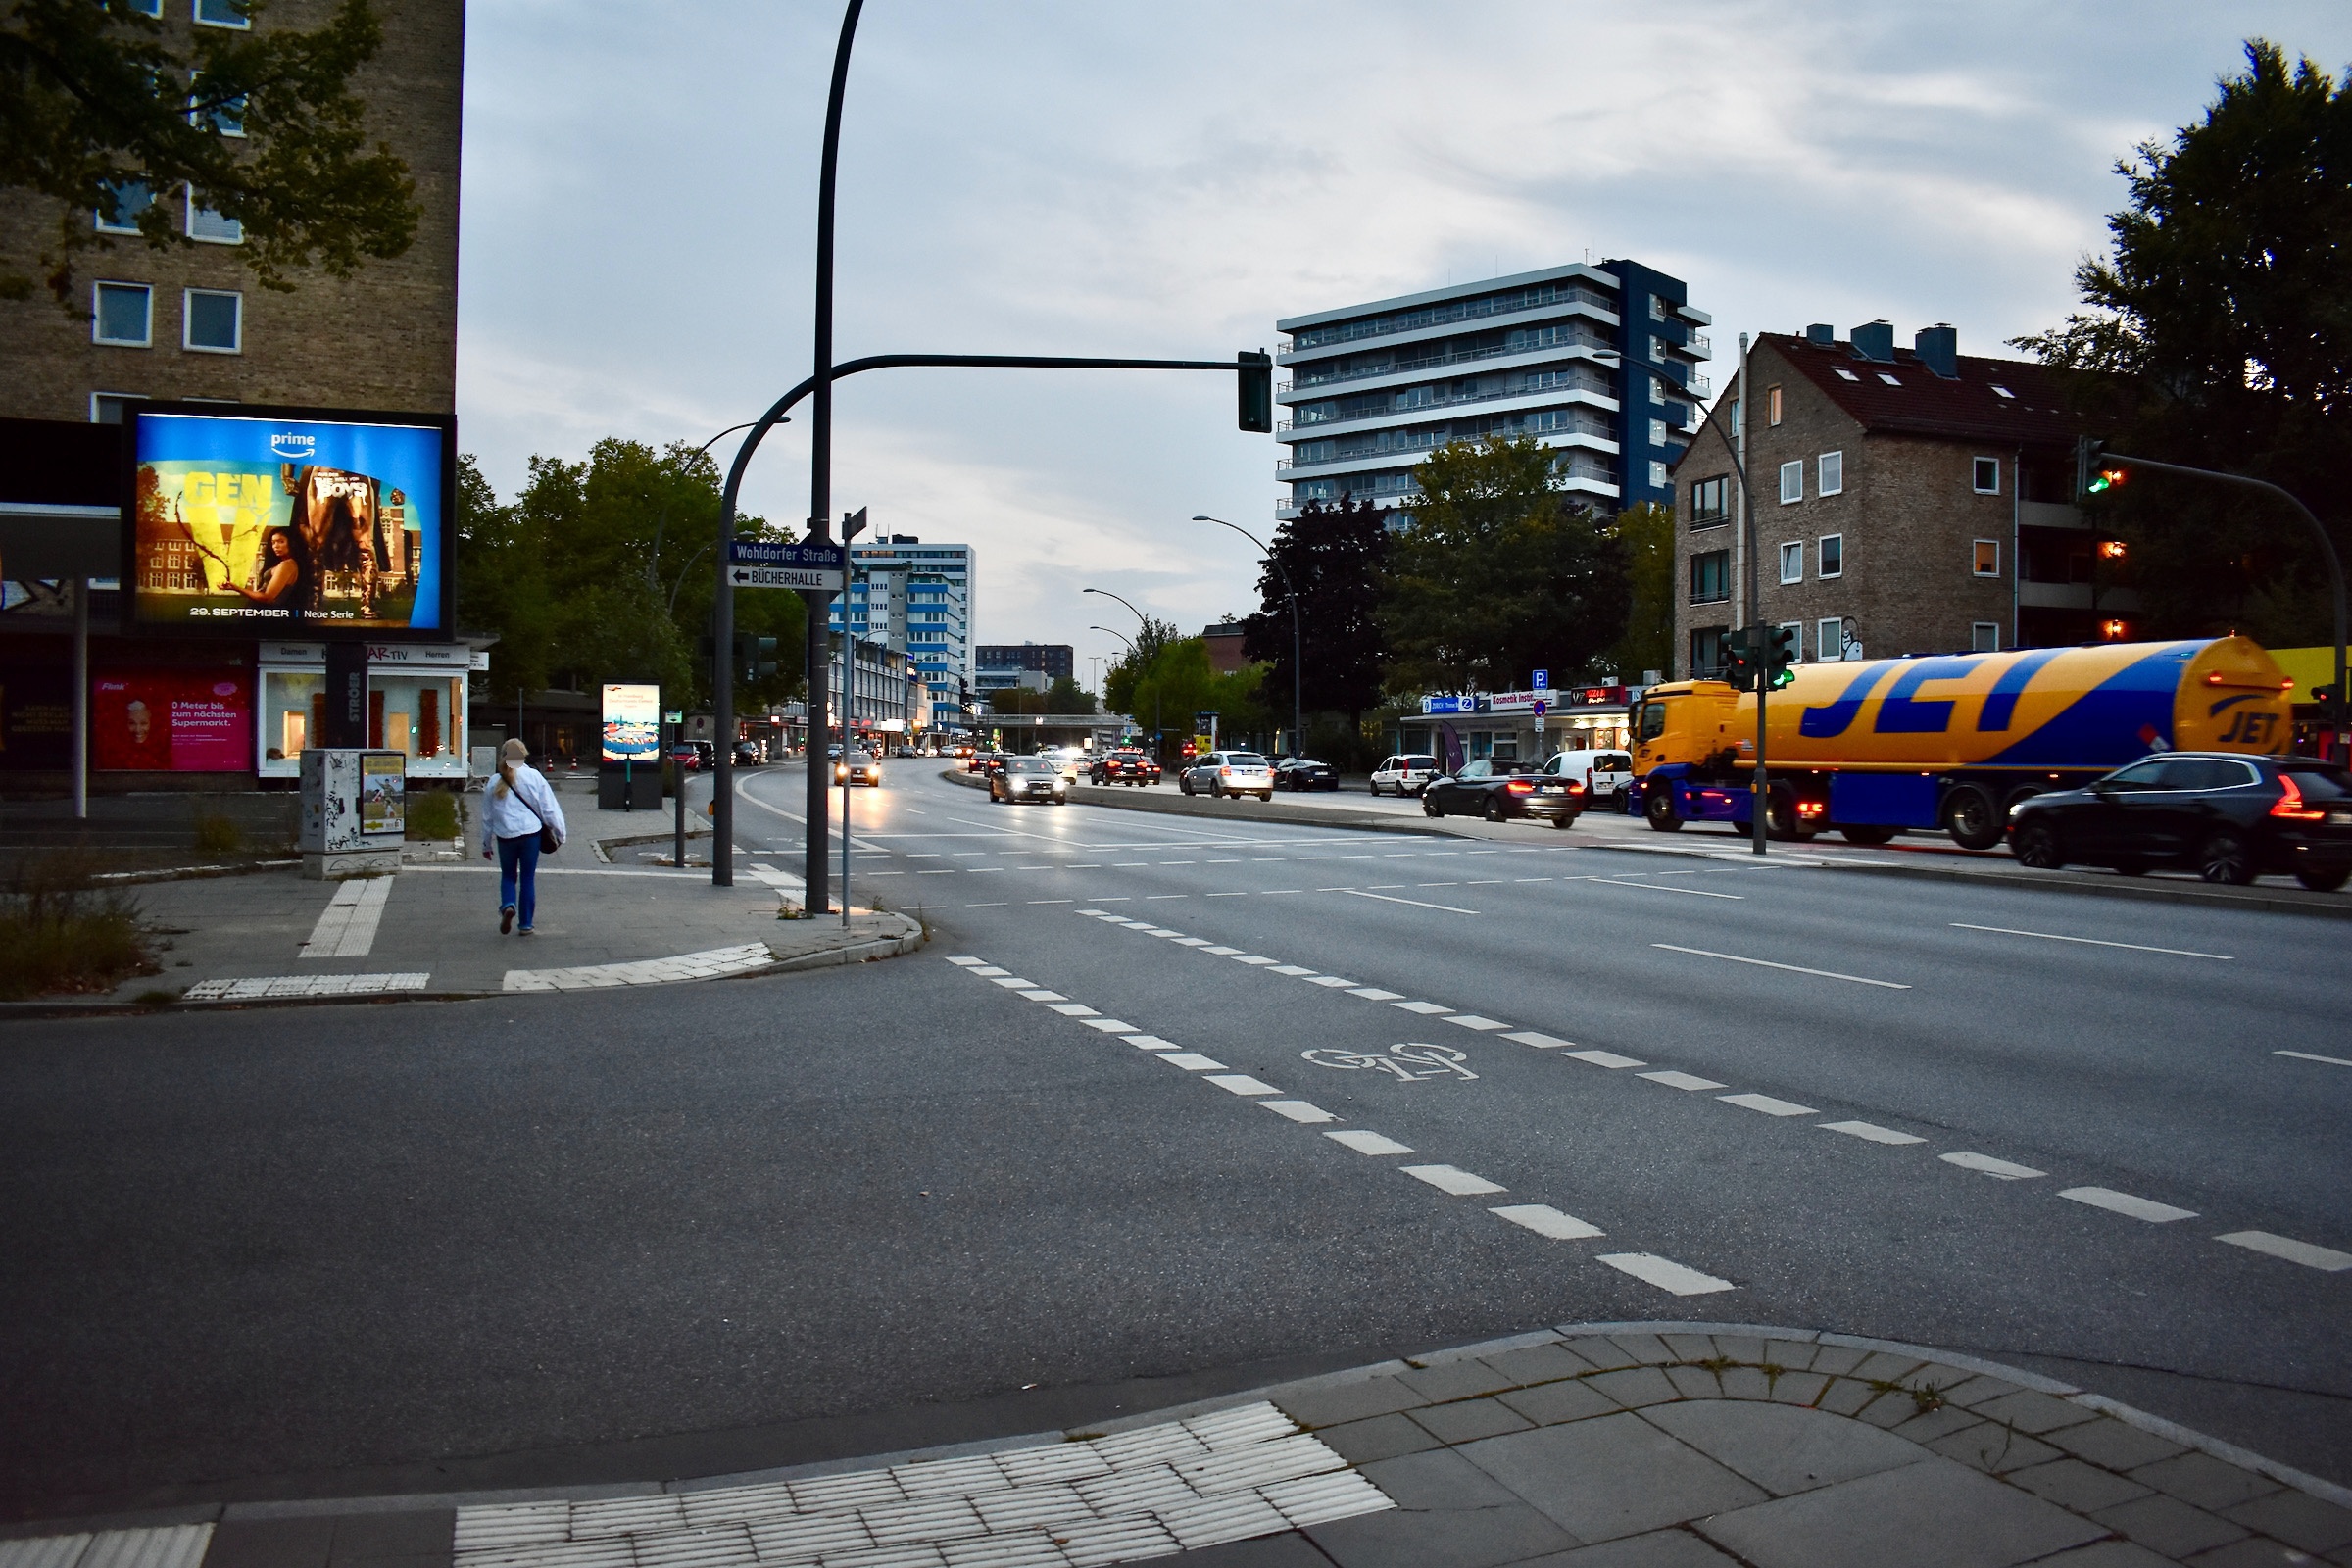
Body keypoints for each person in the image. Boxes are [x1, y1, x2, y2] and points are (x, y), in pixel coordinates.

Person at [479, 737, 565, 935]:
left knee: (508, 875)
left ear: (503, 756)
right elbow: (549, 809)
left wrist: (486, 844)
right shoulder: (534, 777)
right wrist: (560, 833)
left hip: (505, 836)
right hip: (530, 835)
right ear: (523, 755)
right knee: (528, 878)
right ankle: (526, 924)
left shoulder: (494, 782)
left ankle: (508, 905)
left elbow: (487, 817)